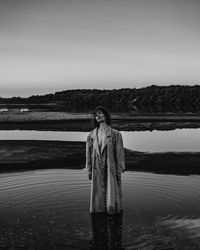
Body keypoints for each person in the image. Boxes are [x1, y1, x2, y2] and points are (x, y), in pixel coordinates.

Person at [85, 106, 125, 214]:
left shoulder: (115, 134)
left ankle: (112, 210)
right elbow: (88, 154)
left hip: (110, 166)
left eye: (99, 113)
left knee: (112, 191)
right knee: (97, 193)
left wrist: (119, 169)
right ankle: (98, 212)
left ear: (106, 116)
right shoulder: (91, 135)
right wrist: (88, 169)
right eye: (95, 114)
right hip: (96, 167)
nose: (97, 116)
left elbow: (120, 153)